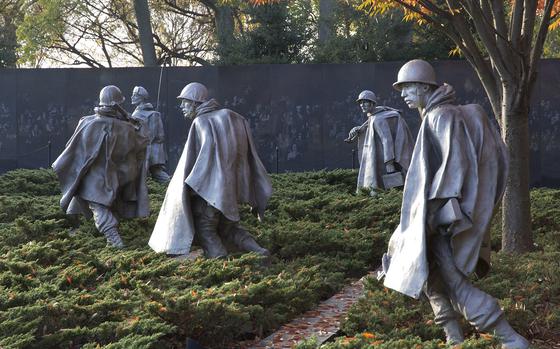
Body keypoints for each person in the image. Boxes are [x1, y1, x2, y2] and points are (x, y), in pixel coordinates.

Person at [379, 59, 528, 349]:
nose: (403, 94)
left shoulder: (440, 116)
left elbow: (456, 166)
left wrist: (437, 218)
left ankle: (509, 339)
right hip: (435, 216)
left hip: (441, 218)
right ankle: (453, 337)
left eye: (408, 87)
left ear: (424, 86)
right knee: (429, 277)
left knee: (454, 283)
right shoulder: (436, 114)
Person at [149, 82, 272, 258]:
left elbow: (197, 164)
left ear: (195, 102)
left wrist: (189, 190)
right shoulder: (233, 117)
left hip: (209, 194)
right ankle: (259, 252)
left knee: (206, 230)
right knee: (230, 228)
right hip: (231, 191)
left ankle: (221, 264)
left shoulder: (200, 122)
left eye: (185, 102)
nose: (182, 107)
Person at [52, 85, 149, 248]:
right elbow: (141, 142)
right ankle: (112, 243)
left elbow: (75, 150)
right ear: (118, 104)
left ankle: (115, 241)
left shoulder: (89, 122)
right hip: (119, 176)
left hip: (98, 176)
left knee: (99, 206)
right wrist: (130, 119)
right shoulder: (128, 127)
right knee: (106, 205)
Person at [345, 90, 413, 194]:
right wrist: (359, 129)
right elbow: (370, 127)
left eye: (365, 102)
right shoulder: (374, 116)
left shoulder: (379, 119)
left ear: (372, 103)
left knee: (385, 190)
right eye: (360, 103)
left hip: (385, 164)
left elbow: (387, 141)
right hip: (380, 160)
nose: (362, 105)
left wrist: (389, 164)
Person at [130, 86, 170, 182]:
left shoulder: (153, 114)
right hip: (140, 149)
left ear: (141, 97)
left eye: (135, 95)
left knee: (158, 174)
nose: (132, 97)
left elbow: (152, 135)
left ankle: (175, 189)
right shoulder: (136, 113)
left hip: (151, 150)